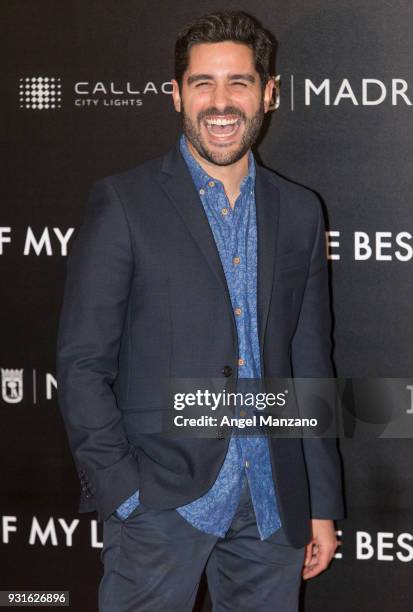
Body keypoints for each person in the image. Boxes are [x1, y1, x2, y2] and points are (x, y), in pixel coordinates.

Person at [56, 10, 344, 612]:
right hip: (160, 502)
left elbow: (309, 363)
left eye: (238, 82)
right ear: (176, 93)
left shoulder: (300, 211)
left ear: (268, 93)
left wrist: (319, 500)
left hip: (273, 503)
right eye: (202, 83)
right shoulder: (125, 202)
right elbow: (82, 363)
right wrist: (123, 491)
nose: (221, 101)